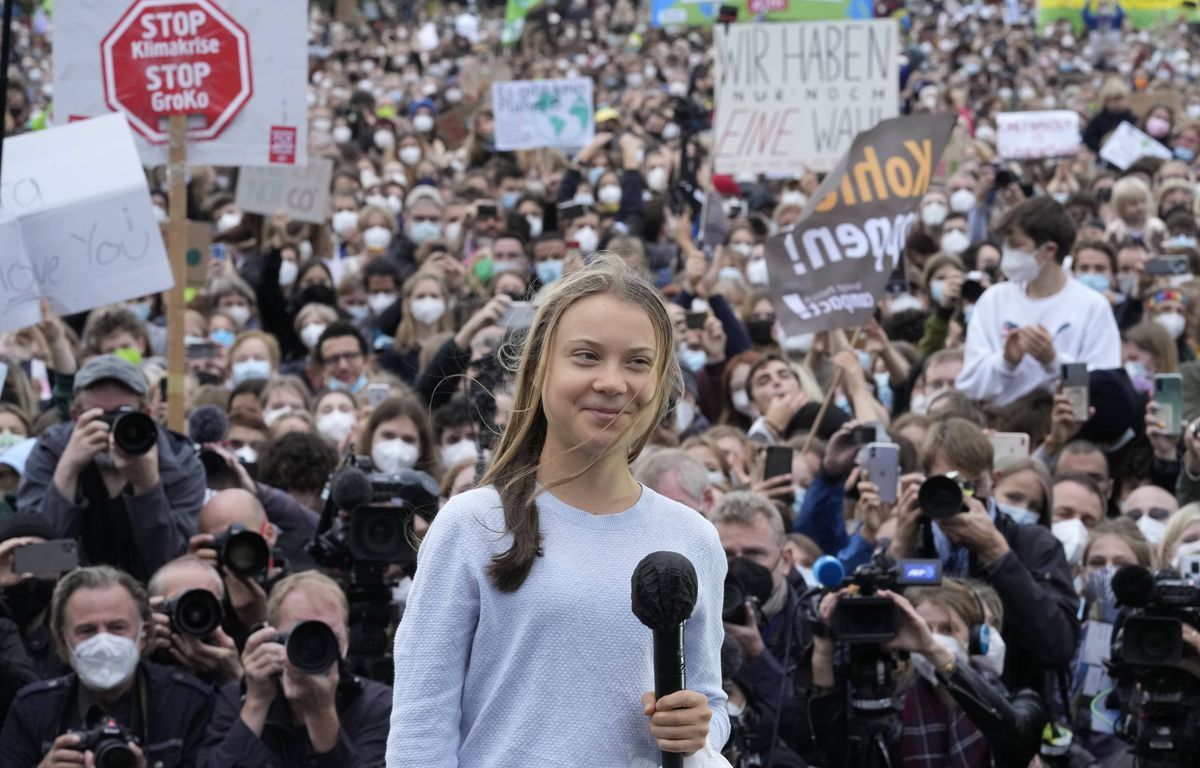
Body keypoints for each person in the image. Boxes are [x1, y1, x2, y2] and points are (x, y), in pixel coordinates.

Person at [386, 255, 729, 764]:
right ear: (540, 368)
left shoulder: (692, 537)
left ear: (661, 386)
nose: (613, 381)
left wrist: (699, 722)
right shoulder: (472, 524)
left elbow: (712, 703)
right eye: (587, 356)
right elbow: (420, 735)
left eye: (637, 362)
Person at [810, 579, 1046, 768]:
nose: (930, 637)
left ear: (973, 637)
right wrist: (823, 649)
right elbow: (836, 751)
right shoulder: (892, 706)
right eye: (922, 628)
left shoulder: (1020, 701)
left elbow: (1016, 737)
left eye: (947, 629)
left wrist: (933, 650)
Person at [0, 566, 214, 767]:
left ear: (144, 635)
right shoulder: (33, 709)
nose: (103, 643)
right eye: (87, 631)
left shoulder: (188, 703)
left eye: (117, 627)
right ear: (63, 641)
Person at [17, 356, 205, 581]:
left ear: (147, 412)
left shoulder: (180, 460)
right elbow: (34, 564)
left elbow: (171, 564)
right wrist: (67, 471)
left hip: (152, 597)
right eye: (98, 416)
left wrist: (148, 488)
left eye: (122, 414)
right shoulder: (51, 452)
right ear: (75, 416)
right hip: (66, 599)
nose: (111, 426)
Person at [197, 571, 392, 767]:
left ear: (347, 639)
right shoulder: (235, 699)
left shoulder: (377, 705)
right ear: (270, 636)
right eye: (302, 636)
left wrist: (321, 713)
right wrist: (256, 703)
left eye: (330, 638)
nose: (316, 648)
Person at [956, 198, 1121, 406]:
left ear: (1049, 250)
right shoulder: (993, 300)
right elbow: (970, 387)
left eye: (1016, 245)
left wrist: (1053, 361)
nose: (1007, 252)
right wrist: (1006, 362)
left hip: (1068, 428)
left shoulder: (1092, 307)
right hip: (1000, 425)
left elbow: (1107, 390)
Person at [712, 491, 815, 760]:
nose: (739, 565)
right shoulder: (690, 623)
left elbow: (808, 732)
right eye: (727, 554)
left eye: (754, 554)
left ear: (786, 560)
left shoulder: (812, 623)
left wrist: (758, 656)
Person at [146, 555, 243, 688]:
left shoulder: (226, 667)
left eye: (205, 603)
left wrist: (234, 675)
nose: (194, 613)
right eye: (181, 602)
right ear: (158, 610)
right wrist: (138, 650)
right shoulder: (141, 663)